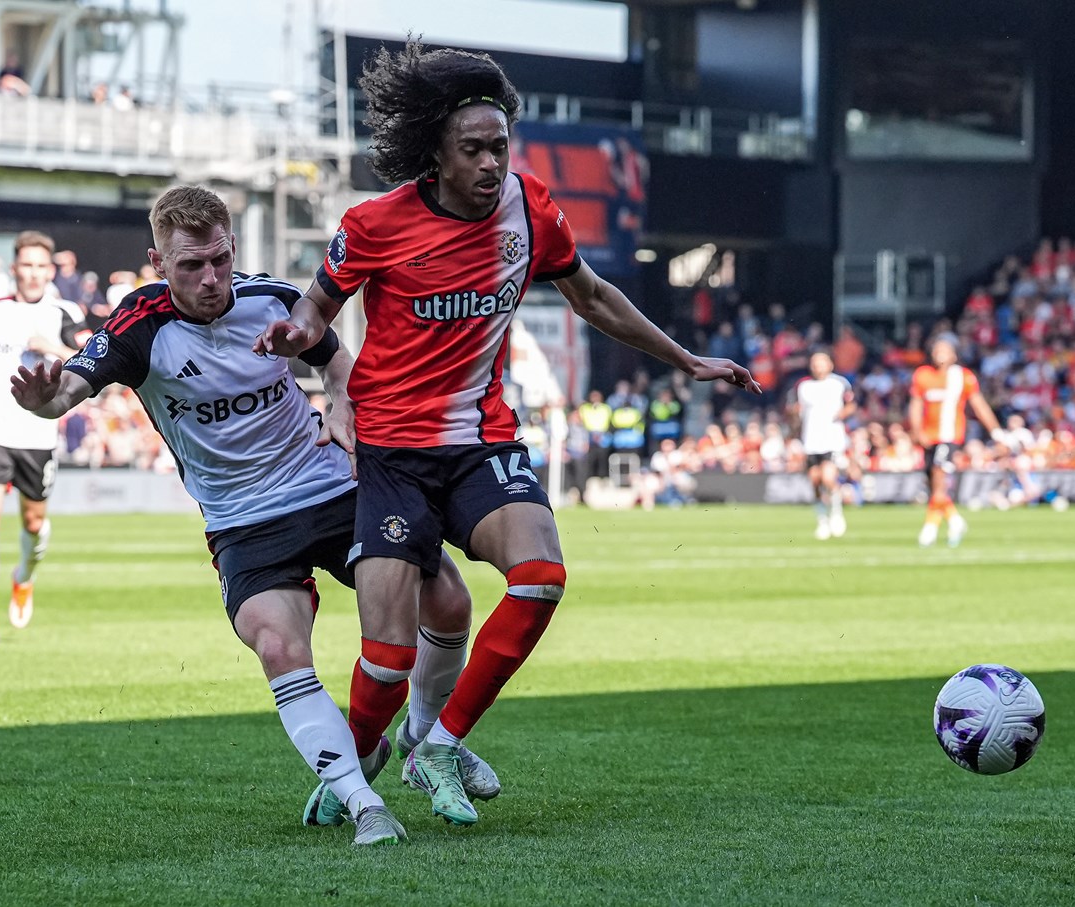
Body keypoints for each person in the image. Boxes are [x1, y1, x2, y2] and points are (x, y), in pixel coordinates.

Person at [255, 40, 757, 826]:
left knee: (540, 575)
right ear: (435, 153)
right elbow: (316, 308)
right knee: (386, 657)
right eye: (473, 149)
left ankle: (439, 744)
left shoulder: (531, 209)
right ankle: (357, 761)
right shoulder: (374, 223)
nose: (492, 163)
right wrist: (297, 335)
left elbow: (593, 296)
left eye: (500, 145)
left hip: (480, 441)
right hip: (392, 456)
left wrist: (684, 358)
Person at [8, 185, 488, 846]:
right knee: (278, 645)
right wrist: (41, 402)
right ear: (158, 262)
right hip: (243, 521)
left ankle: (424, 741)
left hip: (329, 487)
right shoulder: (138, 324)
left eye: (220, 259)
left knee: (449, 600)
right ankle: (362, 803)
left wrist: (341, 405)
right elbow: (65, 391)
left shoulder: (273, 299)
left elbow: (339, 362)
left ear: (233, 247)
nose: (210, 278)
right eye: (190, 266)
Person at [0, 232, 88, 646]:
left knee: (33, 522)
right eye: (26, 265)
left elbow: (91, 360)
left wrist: (52, 346)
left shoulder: (65, 312)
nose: (33, 273)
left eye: (40, 266)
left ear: (50, 272)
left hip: (37, 430)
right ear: (14, 268)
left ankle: (24, 576)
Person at [909, 334, 1006, 548]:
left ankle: (930, 527)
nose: (940, 354)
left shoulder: (963, 377)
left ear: (954, 354)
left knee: (938, 475)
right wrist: (917, 431)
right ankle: (955, 520)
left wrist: (997, 433)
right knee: (933, 483)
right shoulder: (923, 375)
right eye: (937, 349)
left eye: (945, 350)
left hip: (950, 435)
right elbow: (916, 405)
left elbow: (979, 406)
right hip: (928, 437)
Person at [789, 352, 855, 540]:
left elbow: (851, 405)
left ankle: (836, 512)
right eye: (815, 363)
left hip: (832, 439)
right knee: (815, 481)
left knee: (828, 477)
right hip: (810, 440)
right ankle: (822, 520)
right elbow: (795, 411)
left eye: (821, 362)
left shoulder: (839, 383)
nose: (818, 366)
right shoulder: (803, 386)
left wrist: (842, 414)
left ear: (830, 364)